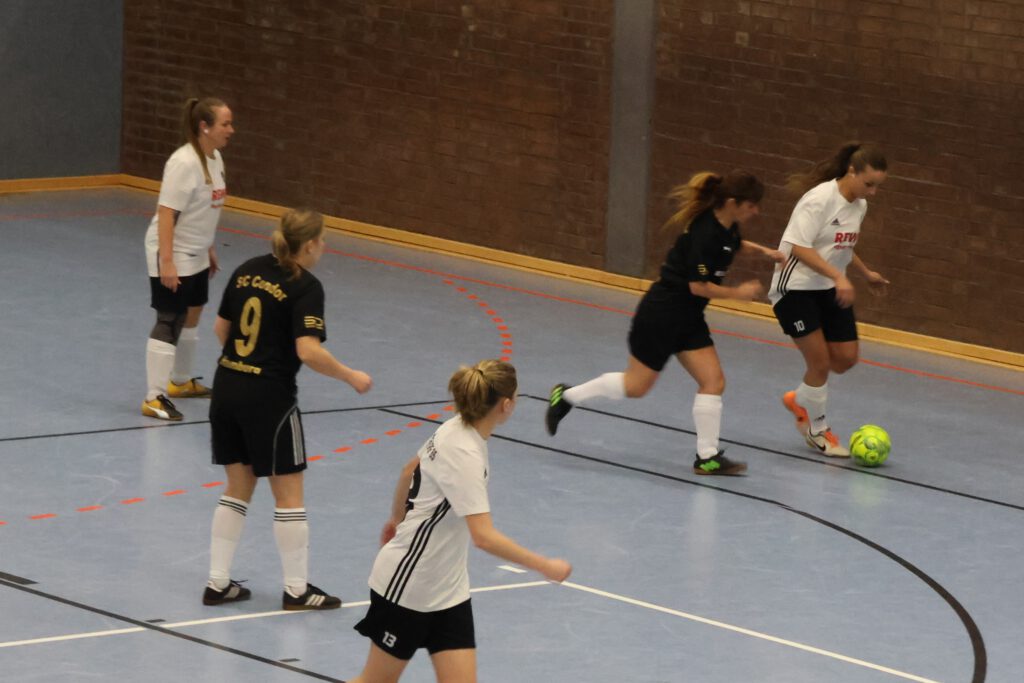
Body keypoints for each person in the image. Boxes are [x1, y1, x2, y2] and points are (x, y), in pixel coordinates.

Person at [545, 171, 784, 475]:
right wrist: (738, 294)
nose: (756, 211)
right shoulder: (705, 233)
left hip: (689, 318)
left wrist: (764, 252)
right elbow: (698, 286)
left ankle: (707, 457)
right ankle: (566, 396)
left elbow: (735, 245)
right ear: (732, 202)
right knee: (636, 387)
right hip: (661, 315)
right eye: (752, 205)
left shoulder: (727, 227)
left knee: (713, 381)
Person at [349, 360, 571, 683]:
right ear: (506, 405)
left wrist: (396, 518)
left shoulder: (455, 427)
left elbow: (410, 469)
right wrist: (544, 565)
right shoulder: (465, 454)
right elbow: (483, 537)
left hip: (449, 592)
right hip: (409, 588)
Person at [202, 208, 373, 610]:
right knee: (289, 493)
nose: (325, 246)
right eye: (322, 240)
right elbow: (308, 350)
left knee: (237, 487)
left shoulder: (246, 270)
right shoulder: (305, 286)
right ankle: (297, 590)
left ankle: (217, 582)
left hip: (226, 387)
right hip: (269, 398)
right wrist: (350, 376)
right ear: (309, 244)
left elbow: (221, 329)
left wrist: (246, 364)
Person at [769, 142, 890, 457]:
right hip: (794, 288)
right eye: (869, 184)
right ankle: (817, 430)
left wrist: (865, 273)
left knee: (845, 359)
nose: (872, 192)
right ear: (852, 171)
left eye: (877, 186)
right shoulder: (819, 199)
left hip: (827, 287)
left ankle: (801, 399)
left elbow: (842, 244)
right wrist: (839, 277)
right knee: (820, 362)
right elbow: (798, 247)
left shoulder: (859, 205)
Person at [142, 97, 234, 421]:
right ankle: (154, 397)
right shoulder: (183, 163)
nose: (231, 130)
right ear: (204, 127)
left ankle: (180, 381)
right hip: (173, 250)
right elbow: (167, 213)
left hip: (196, 250)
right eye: (225, 124)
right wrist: (167, 261)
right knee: (171, 318)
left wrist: (208, 246)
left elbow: (205, 208)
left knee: (193, 313)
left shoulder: (215, 158)